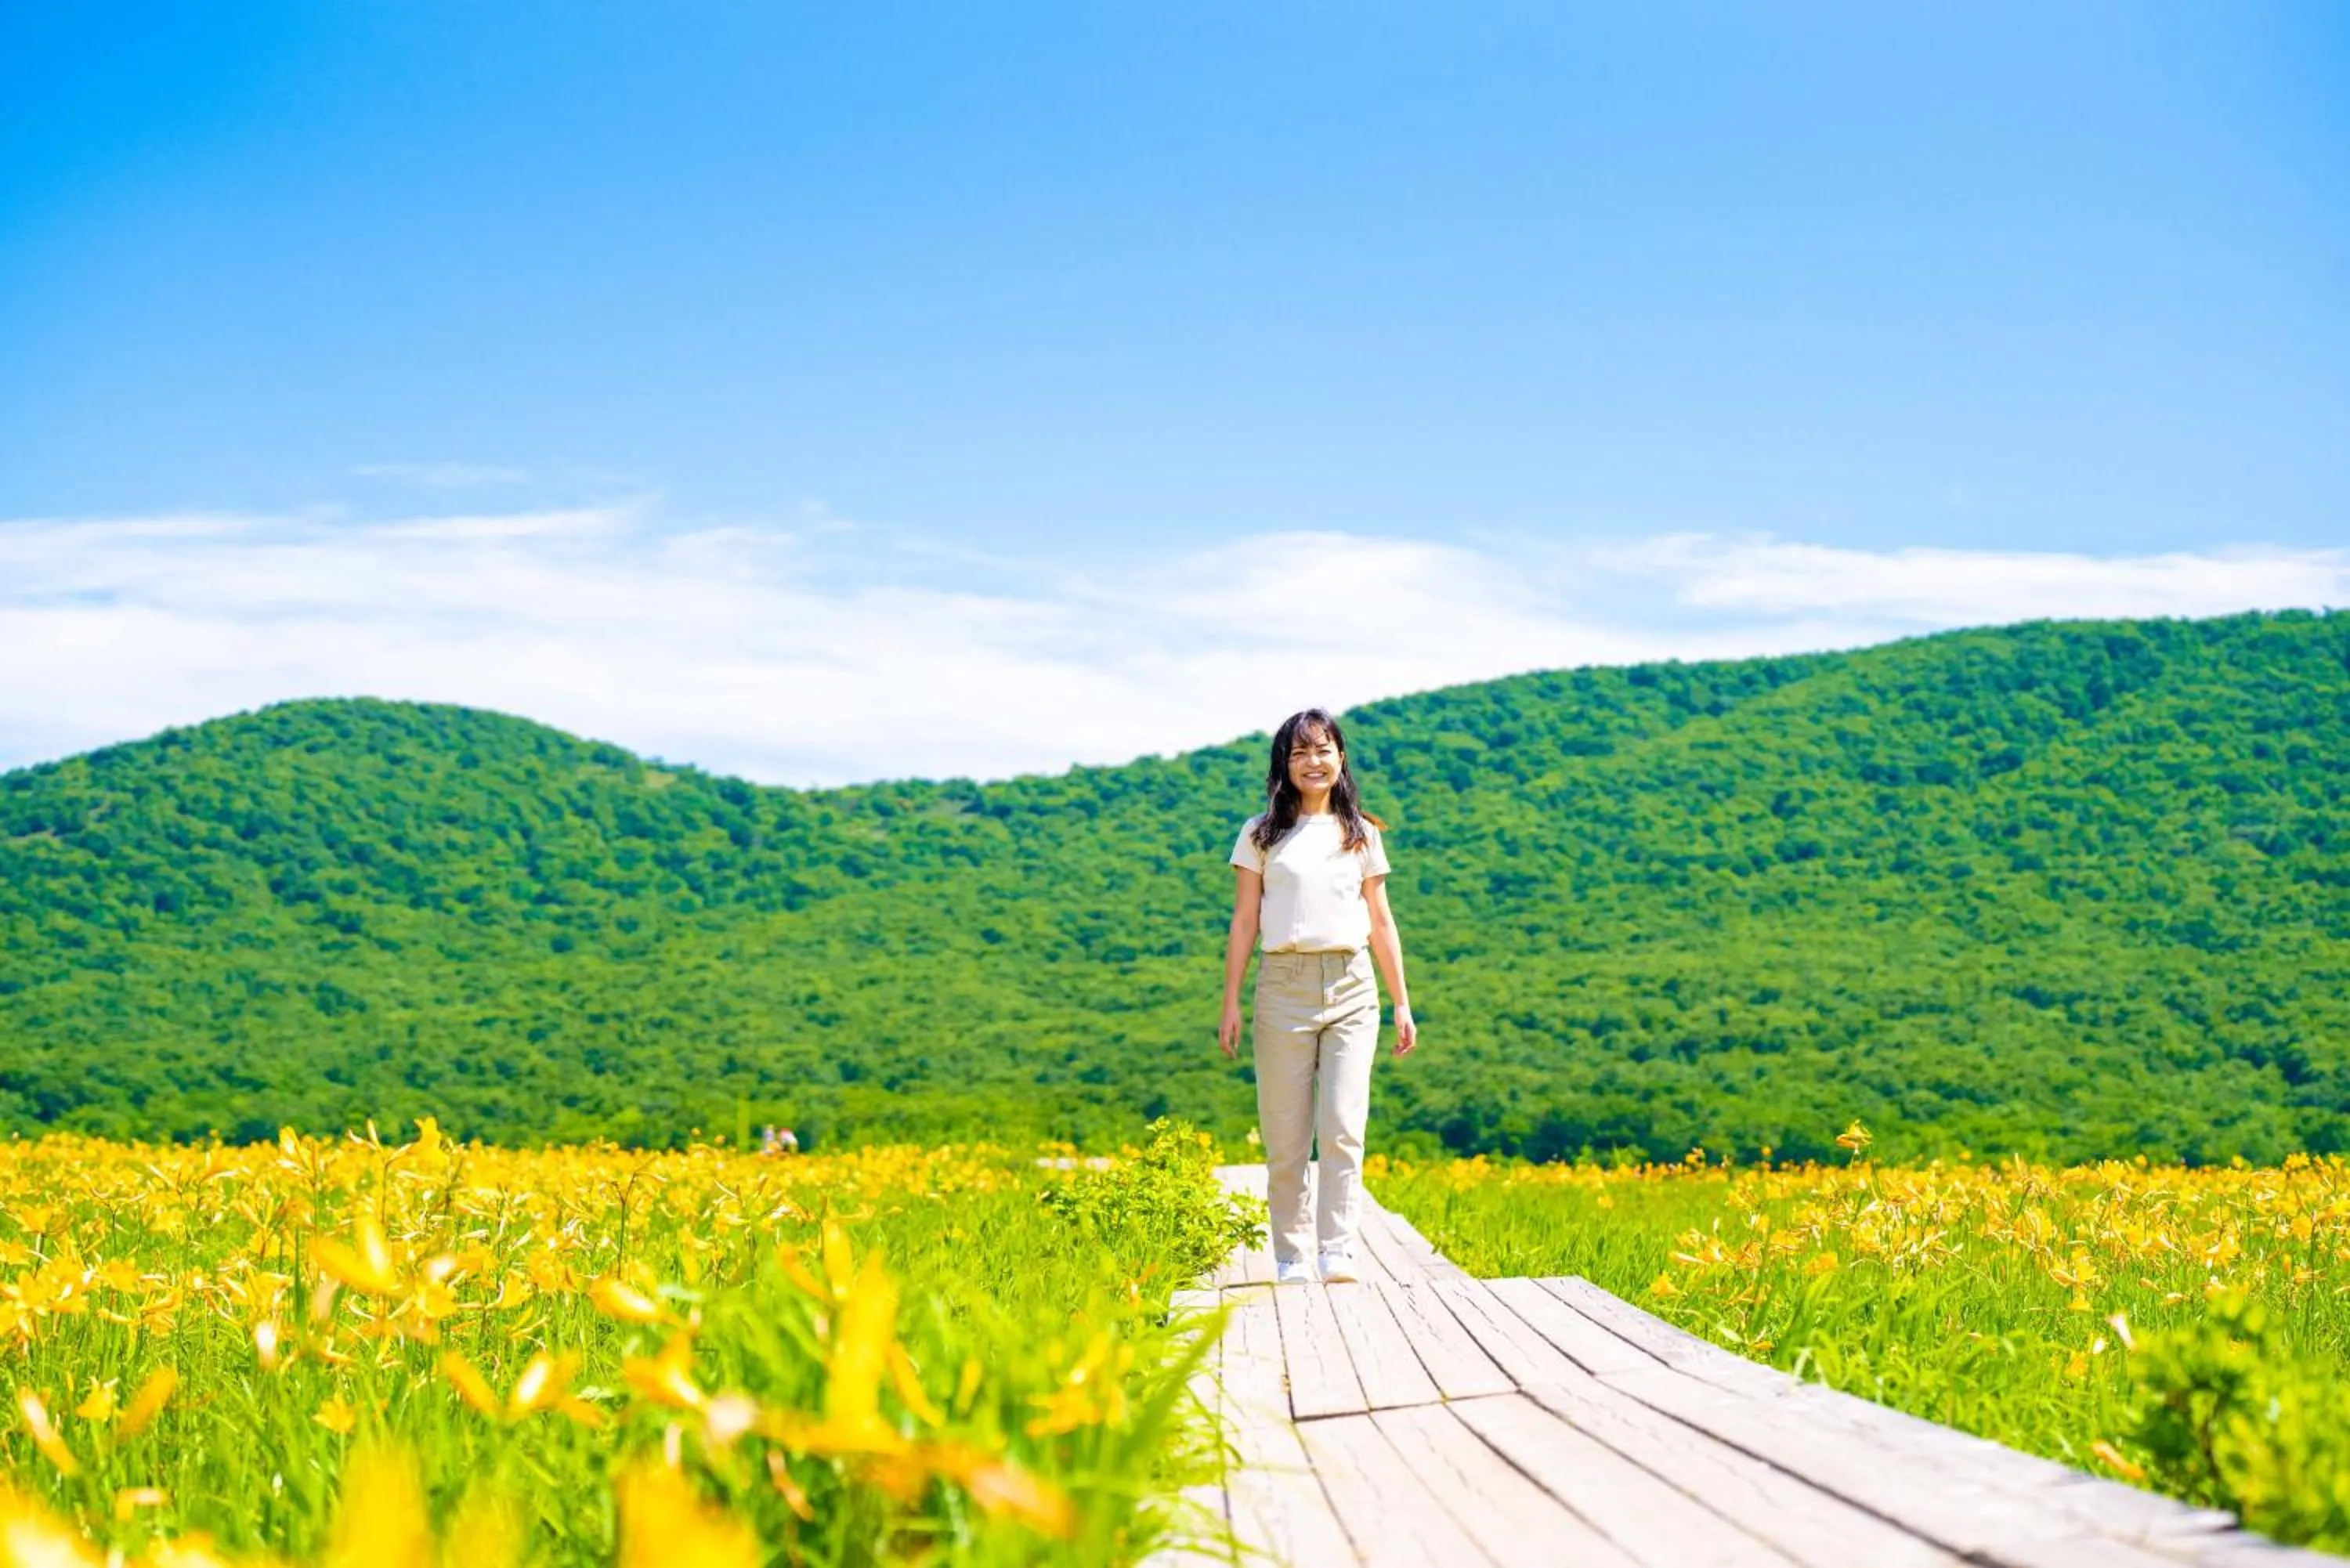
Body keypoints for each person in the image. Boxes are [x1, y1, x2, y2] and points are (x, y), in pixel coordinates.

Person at [1219, 707, 1418, 1284]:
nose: (1313, 761)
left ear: (1341, 758)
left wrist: (1401, 1001)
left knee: (1341, 1123)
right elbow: (1243, 921)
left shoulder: (1362, 833)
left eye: (1323, 749)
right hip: (1282, 985)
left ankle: (1338, 1251)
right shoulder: (1261, 833)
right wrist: (1230, 1001)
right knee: (1285, 1133)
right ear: (1285, 763)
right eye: (1300, 752)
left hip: (1353, 984)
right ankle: (1291, 1256)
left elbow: (1381, 920)